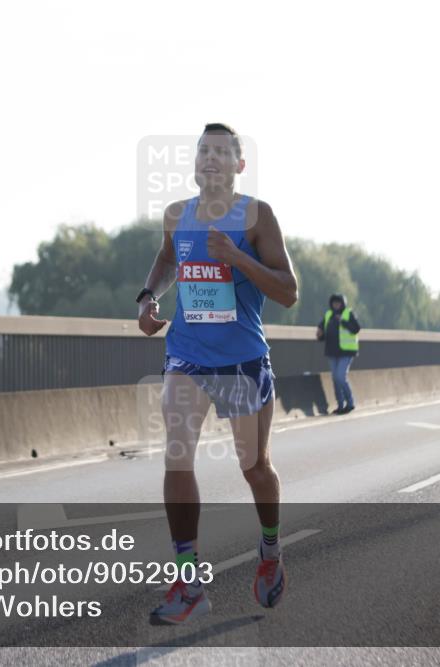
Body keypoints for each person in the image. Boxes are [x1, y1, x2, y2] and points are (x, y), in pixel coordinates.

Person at [136, 123, 298, 624]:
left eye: (221, 152)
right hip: (186, 354)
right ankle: (189, 581)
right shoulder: (176, 215)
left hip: (242, 361)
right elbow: (168, 258)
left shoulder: (257, 217)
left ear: (238, 165)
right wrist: (148, 296)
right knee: (177, 456)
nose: (210, 159)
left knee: (254, 467)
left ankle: (270, 552)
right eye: (203, 151)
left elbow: (288, 291)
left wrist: (236, 259)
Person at [316, 293, 361, 414]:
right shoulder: (328, 315)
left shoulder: (349, 313)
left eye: (338, 303)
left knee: (341, 377)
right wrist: (320, 335)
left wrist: (343, 322)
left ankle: (350, 402)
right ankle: (340, 405)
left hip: (346, 352)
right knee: (335, 379)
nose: (336, 305)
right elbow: (323, 332)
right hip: (332, 352)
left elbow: (356, 329)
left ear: (343, 303)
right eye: (334, 303)